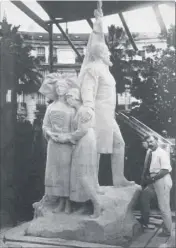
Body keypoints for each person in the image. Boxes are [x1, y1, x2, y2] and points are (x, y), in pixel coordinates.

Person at [77, 2, 134, 187]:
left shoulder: (104, 68)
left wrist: (99, 21)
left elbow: (99, 39)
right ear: (100, 54)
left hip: (108, 114)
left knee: (118, 144)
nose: (109, 53)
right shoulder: (93, 68)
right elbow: (87, 89)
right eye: (106, 51)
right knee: (97, 149)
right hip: (99, 112)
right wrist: (88, 107)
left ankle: (118, 178)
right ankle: (92, 183)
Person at [33, 73, 75, 216]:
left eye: (62, 87)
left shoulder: (71, 107)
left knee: (66, 172)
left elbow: (75, 127)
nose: (59, 89)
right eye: (57, 87)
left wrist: (66, 137)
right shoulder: (50, 107)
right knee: (55, 173)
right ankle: (59, 201)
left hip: (66, 144)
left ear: (67, 88)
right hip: (53, 144)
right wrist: (50, 134)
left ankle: (68, 202)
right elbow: (45, 125)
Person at [65, 87, 102, 218]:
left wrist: (67, 137)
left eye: (68, 97)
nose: (67, 100)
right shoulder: (79, 110)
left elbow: (83, 130)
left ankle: (97, 204)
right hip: (84, 140)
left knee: (83, 174)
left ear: (74, 97)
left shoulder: (85, 110)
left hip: (86, 140)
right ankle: (88, 203)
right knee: (83, 174)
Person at [140, 134, 173, 236]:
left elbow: (164, 170)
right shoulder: (149, 152)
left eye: (152, 141)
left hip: (161, 179)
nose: (150, 143)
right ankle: (145, 222)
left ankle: (168, 230)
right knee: (144, 196)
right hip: (153, 180)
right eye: (148, 142)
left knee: (163, 207)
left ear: (156, 141)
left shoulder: (162, 153)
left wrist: (152, 179)